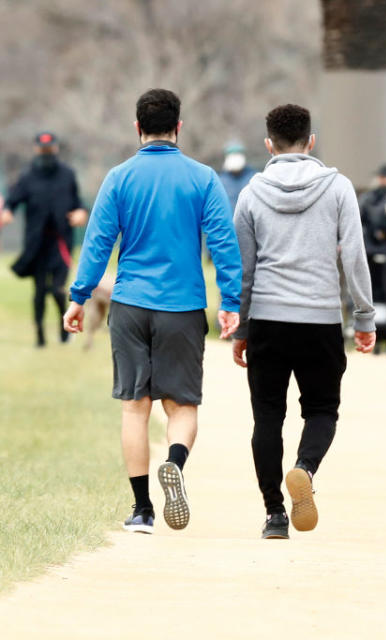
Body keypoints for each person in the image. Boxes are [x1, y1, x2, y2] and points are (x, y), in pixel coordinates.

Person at [63, 88, 243, 534]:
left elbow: (98, 242)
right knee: (181, 406)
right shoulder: (202, 179)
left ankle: (142, 510)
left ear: (137, 127)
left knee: (134, 409)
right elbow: (224, 245)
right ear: (179, 127)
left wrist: (79, 296)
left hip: (129, 305)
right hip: (182, 306)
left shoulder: (119, 177)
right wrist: (232, 302)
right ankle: (175, 464)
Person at [232, 104, 376, 539]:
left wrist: (242, 327)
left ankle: (275, 514)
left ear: (268, 144)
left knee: (267, 419)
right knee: (321, 410)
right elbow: (353, 256)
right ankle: (304, 468)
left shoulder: (251, 193)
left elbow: (244, 269)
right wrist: (364, 317)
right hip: (319, 320)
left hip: (268, 319)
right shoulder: (338, 188)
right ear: (311, 141)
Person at [1, 132, 87, 347]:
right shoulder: (28, 176)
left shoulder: (67, 175)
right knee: (39, 292)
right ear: (37, 149)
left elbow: (78, 203)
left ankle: (63, 330)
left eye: (50, 149)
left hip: (60, 243)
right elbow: (12, 201)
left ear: (55, 149)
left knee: (58, 288)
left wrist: (80, 213)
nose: (46, 153)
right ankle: (40, 336)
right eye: (43, 149)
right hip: (37, 244)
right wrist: (7, 212)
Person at [358, 163, 386, 350]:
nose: (383, 181)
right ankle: (374, 335)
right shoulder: (369, 198)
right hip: (371, 252)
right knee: (373, 294)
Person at [218, 141, 257, 213]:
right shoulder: (220, 182)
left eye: (237, 155)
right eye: (232, 156)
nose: (235, 159)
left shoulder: (254, 178)